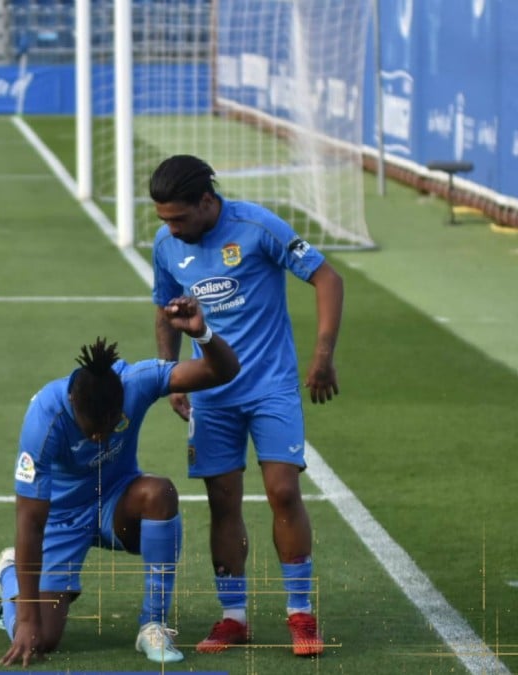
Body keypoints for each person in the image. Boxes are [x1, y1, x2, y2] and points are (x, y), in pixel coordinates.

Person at [149, 155, 344, 657]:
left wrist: (323, 355)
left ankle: (300, 612)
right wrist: (170, 374)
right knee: (223, 501)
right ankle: (233, 616)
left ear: (208, 202)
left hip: (271, 387)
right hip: (212, 395)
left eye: (178, 218)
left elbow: (328, 278)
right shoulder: (167, 246)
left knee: (282, 491)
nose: (170, 228)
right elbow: (166, 308)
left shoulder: (258, 227)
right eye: (163, 219)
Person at [0, 297, 241, 667]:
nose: (98, 439)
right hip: (61, 518)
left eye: (107, 430)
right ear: (74, 403)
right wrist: (26, 618)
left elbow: (223, 371)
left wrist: (202, 333)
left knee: (160, 494)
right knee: (42, 640)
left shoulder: (136, 382)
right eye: (91, 431)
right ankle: (9, 573)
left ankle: (152, 625)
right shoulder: (44, 418)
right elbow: (30, 521)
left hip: (116, 502)